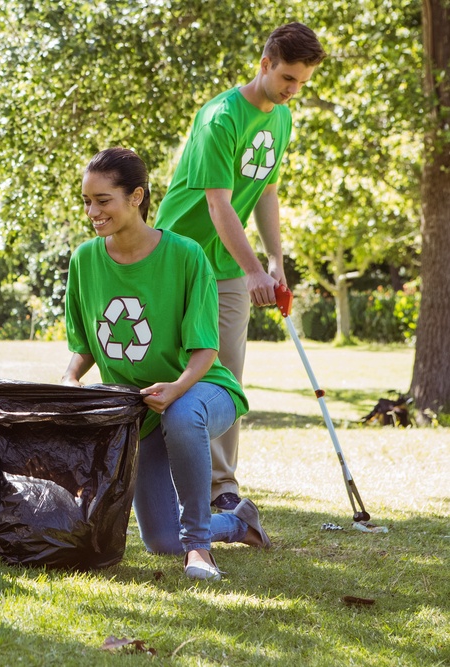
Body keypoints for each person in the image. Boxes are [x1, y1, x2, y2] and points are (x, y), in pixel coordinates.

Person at [62, 148, 269, 580]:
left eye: (104, 200)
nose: (92, 212)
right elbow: (85, 344)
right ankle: (238, 523)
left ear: (136, 197)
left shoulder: (187, 256)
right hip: (142, 409)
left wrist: (176, 387)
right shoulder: (84, 260)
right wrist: (71, 376)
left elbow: (205, 350)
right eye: (86, 201)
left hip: (203, 390)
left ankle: (199, 550)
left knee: (182, 412)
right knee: (159, 541)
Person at [154, 22, 327, 513]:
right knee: (174, 368)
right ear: (265, 63)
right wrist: (253, 271)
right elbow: (218, 205)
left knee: (225, 374)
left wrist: (273, 259)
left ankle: (220, 490)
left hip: (230, 264)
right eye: (288, 78)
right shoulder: (221, 118)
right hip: (180, 258)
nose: (293, 90)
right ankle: (152, 479)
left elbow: (266, 192)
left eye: (302, 82)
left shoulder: (282, 120)